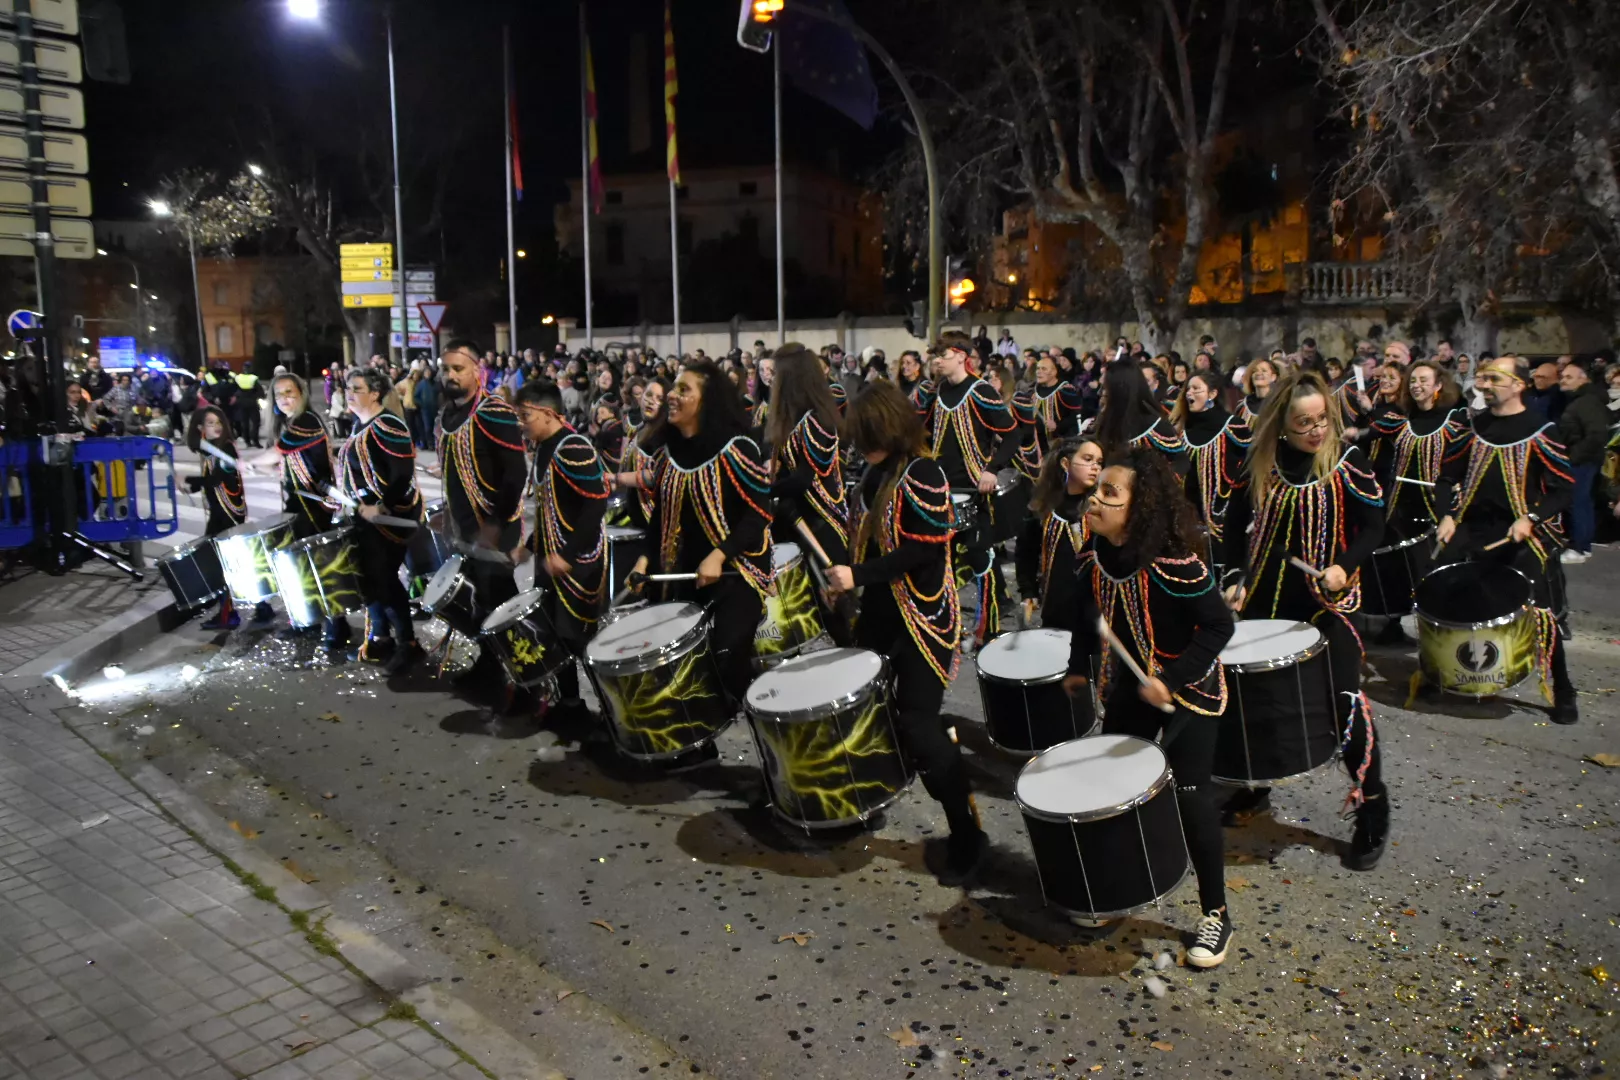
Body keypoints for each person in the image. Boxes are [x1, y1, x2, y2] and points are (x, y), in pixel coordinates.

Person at [1061, 447, 1236, 965]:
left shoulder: (1174, 563)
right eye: (1098, 490)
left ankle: (1216, 914)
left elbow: (1219, 627)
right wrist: (1078, 665)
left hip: (1192, 691)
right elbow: (1086, 616)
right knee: (1116, 785)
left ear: (1139, 508)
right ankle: (1121, 887)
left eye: (1109, 493)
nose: (1095, 499)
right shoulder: (1094, 556)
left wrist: (1171, 678)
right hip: (1132, 690)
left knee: (1189, 795)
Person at [1221, 369, 1391, 869]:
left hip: (1325, 604)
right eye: (1304, 423)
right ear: (1281, 424)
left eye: (1322, 420)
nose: (1317, 431)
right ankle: (1256, 785)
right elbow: (1234, 525)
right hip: (1265, 601)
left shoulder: (1346, 460)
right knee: (1256, 699)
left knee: (1345, 703)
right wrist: (1234, 574)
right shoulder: (1261, 461)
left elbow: (1374, 524)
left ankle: (1373, 804)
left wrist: (1345, 564)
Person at [825, 381, 988, 887]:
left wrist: (857, 576)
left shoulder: (923, 472)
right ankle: (870, 796)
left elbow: (922, 551)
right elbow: (872, 544)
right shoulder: (876, 472)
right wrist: (848, 580)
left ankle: (967, 831)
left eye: (865, 436)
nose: (859, 447)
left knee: (918, 725)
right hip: (880, 615)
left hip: (922, 621)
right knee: (864, 710)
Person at [621, 359, 773, 717]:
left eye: (683, 390)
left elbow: (759, 514)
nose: (672, 395)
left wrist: (721, 554)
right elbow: (659, 516)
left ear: (707, 401)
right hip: (683, 575)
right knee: (680, 663)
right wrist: (644, 558)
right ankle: (698, 741)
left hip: (737, 574)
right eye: (674, 388)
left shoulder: (737, 448)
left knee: (725, 655)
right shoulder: (667, 454)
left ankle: (764, 719)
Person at [1433, 355, 1578, 723]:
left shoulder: (1541, 428)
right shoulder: (1474, 426)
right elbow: (1447, 477)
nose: (1485, 385)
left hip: (1520, 532)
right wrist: (1447, 515)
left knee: (1540, 611)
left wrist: (1531, 518)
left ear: (1518, 385)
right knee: (1455, 595)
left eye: (1495, 378)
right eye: (1483, 378)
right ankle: (1457, 674)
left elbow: (1563, 490)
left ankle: (1563, 688)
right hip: (1475, 529)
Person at [436, 340, 529, 693]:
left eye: (458, 368)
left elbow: (515, 475)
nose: (451, 375)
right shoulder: (446, 415)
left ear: (478, 370)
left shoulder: (494, 412)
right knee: (479, 602)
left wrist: (493, 524)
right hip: (464, 529)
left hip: (494, 528)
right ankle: (492, 667)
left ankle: (521, 678)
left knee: (500, 603)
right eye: (446, 369)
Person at [916, 330, 1020, 645]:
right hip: (942, 489)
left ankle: (988, 627)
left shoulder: (981, 391)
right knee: (937, 556)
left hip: (974, 490)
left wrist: (991, 470)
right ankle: (942, 622)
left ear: (961, 356)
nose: (936, 362)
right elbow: (925, 434)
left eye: (942, 356)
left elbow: (1013, 436)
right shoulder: (935, 392)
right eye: (934, 356)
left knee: (979, 555)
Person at [512, 380, 608, 715]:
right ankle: (570, 703)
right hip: (550, 560)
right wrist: (529, 548)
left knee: (580, 641)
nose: (520, 424)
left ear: (548, 412)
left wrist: (567, 556)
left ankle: (611, 713)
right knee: (554, 635)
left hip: (578, 564)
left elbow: (596, 505)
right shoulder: (543, 448)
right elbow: (550, 509)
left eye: (525, 416)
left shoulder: (573, 447)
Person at [245, 373, 346, 647]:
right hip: (298, 504)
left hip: (314, 505)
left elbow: (278, 453)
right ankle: (311, 620)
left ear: (301, 393)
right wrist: (256, 465)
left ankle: (337, 625)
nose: (284, 399)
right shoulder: (291, 425)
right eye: (278, 395)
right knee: (303, 566)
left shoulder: (307, 421)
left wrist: (250, 462)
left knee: (319, 565)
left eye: (289, 392)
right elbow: (282, 464)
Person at [337, 367, 423, 674]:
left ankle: (409, 644)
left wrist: (382, 506)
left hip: (392, 518)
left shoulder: (387, 424)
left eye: (356, 388)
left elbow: (402, 472)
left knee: (385, 579)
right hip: (365, 516)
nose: (349, 393)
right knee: (368, 579)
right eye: (347, 388)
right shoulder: (358, 425)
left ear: (375, 393)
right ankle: (381, 638)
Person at [763, 344, 848, 564]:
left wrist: (761, 491)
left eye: (775, 374)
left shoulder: (816, 419)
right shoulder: (792, 419)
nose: (771, 380)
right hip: (797, 520)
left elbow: (803, 480)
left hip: (821, 526)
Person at [1017, 437, 1102, 630]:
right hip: (1055, 607)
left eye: (1099, 462)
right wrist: (1028, 591)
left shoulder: (1099, 508)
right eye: (1088, 459)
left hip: (1093, 611)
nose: (1095, 467)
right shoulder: (1043, 507)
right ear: (1065, 463)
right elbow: (1026, 552)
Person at [1172, 370, 1251, 573]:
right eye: (1188, 388)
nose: (1190, 393)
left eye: (1196, 388)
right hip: (1188, 517)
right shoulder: (1181, 429)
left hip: (1223, 519)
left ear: (1213, 394)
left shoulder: (1232, 426)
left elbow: (1251, 465)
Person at [185, 406, 248, 631]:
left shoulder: (226, 449)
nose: (217, 427)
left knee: (222, 564)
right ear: (200, 428)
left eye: (219, 422)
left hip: (228, 514)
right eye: (210, 423)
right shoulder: (211, 450)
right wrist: (191, 487)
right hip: (221, 512)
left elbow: (217, 479)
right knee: (230, 562)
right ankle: (259, 608)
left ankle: (228, 615)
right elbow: (210, 481)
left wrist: (189, 480)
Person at [1555, 359, 1606, 563]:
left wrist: (1573, 457)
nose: (1563, 380)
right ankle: (1583, 545)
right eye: (1563, 376)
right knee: (1582, 502)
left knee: (1578, 501)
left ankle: (1580, 546)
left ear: (1583, 379)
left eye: (1569, 377)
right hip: (1582, 459)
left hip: (1582, 461)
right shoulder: (1579, 400)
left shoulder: (1587, 401)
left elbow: (1596, 434)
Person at [1093, 359, 1187, 470]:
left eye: (1106, 388)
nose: (1101, 393)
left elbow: (1180, 463)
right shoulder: (1104, 422)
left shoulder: (1154, 425)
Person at [1237, 357, 1278, 424]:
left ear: (1273, 377)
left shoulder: (1281, 402)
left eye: (1264, 370)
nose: (1258, 373)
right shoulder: (1243, 406)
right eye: (1254, 371)